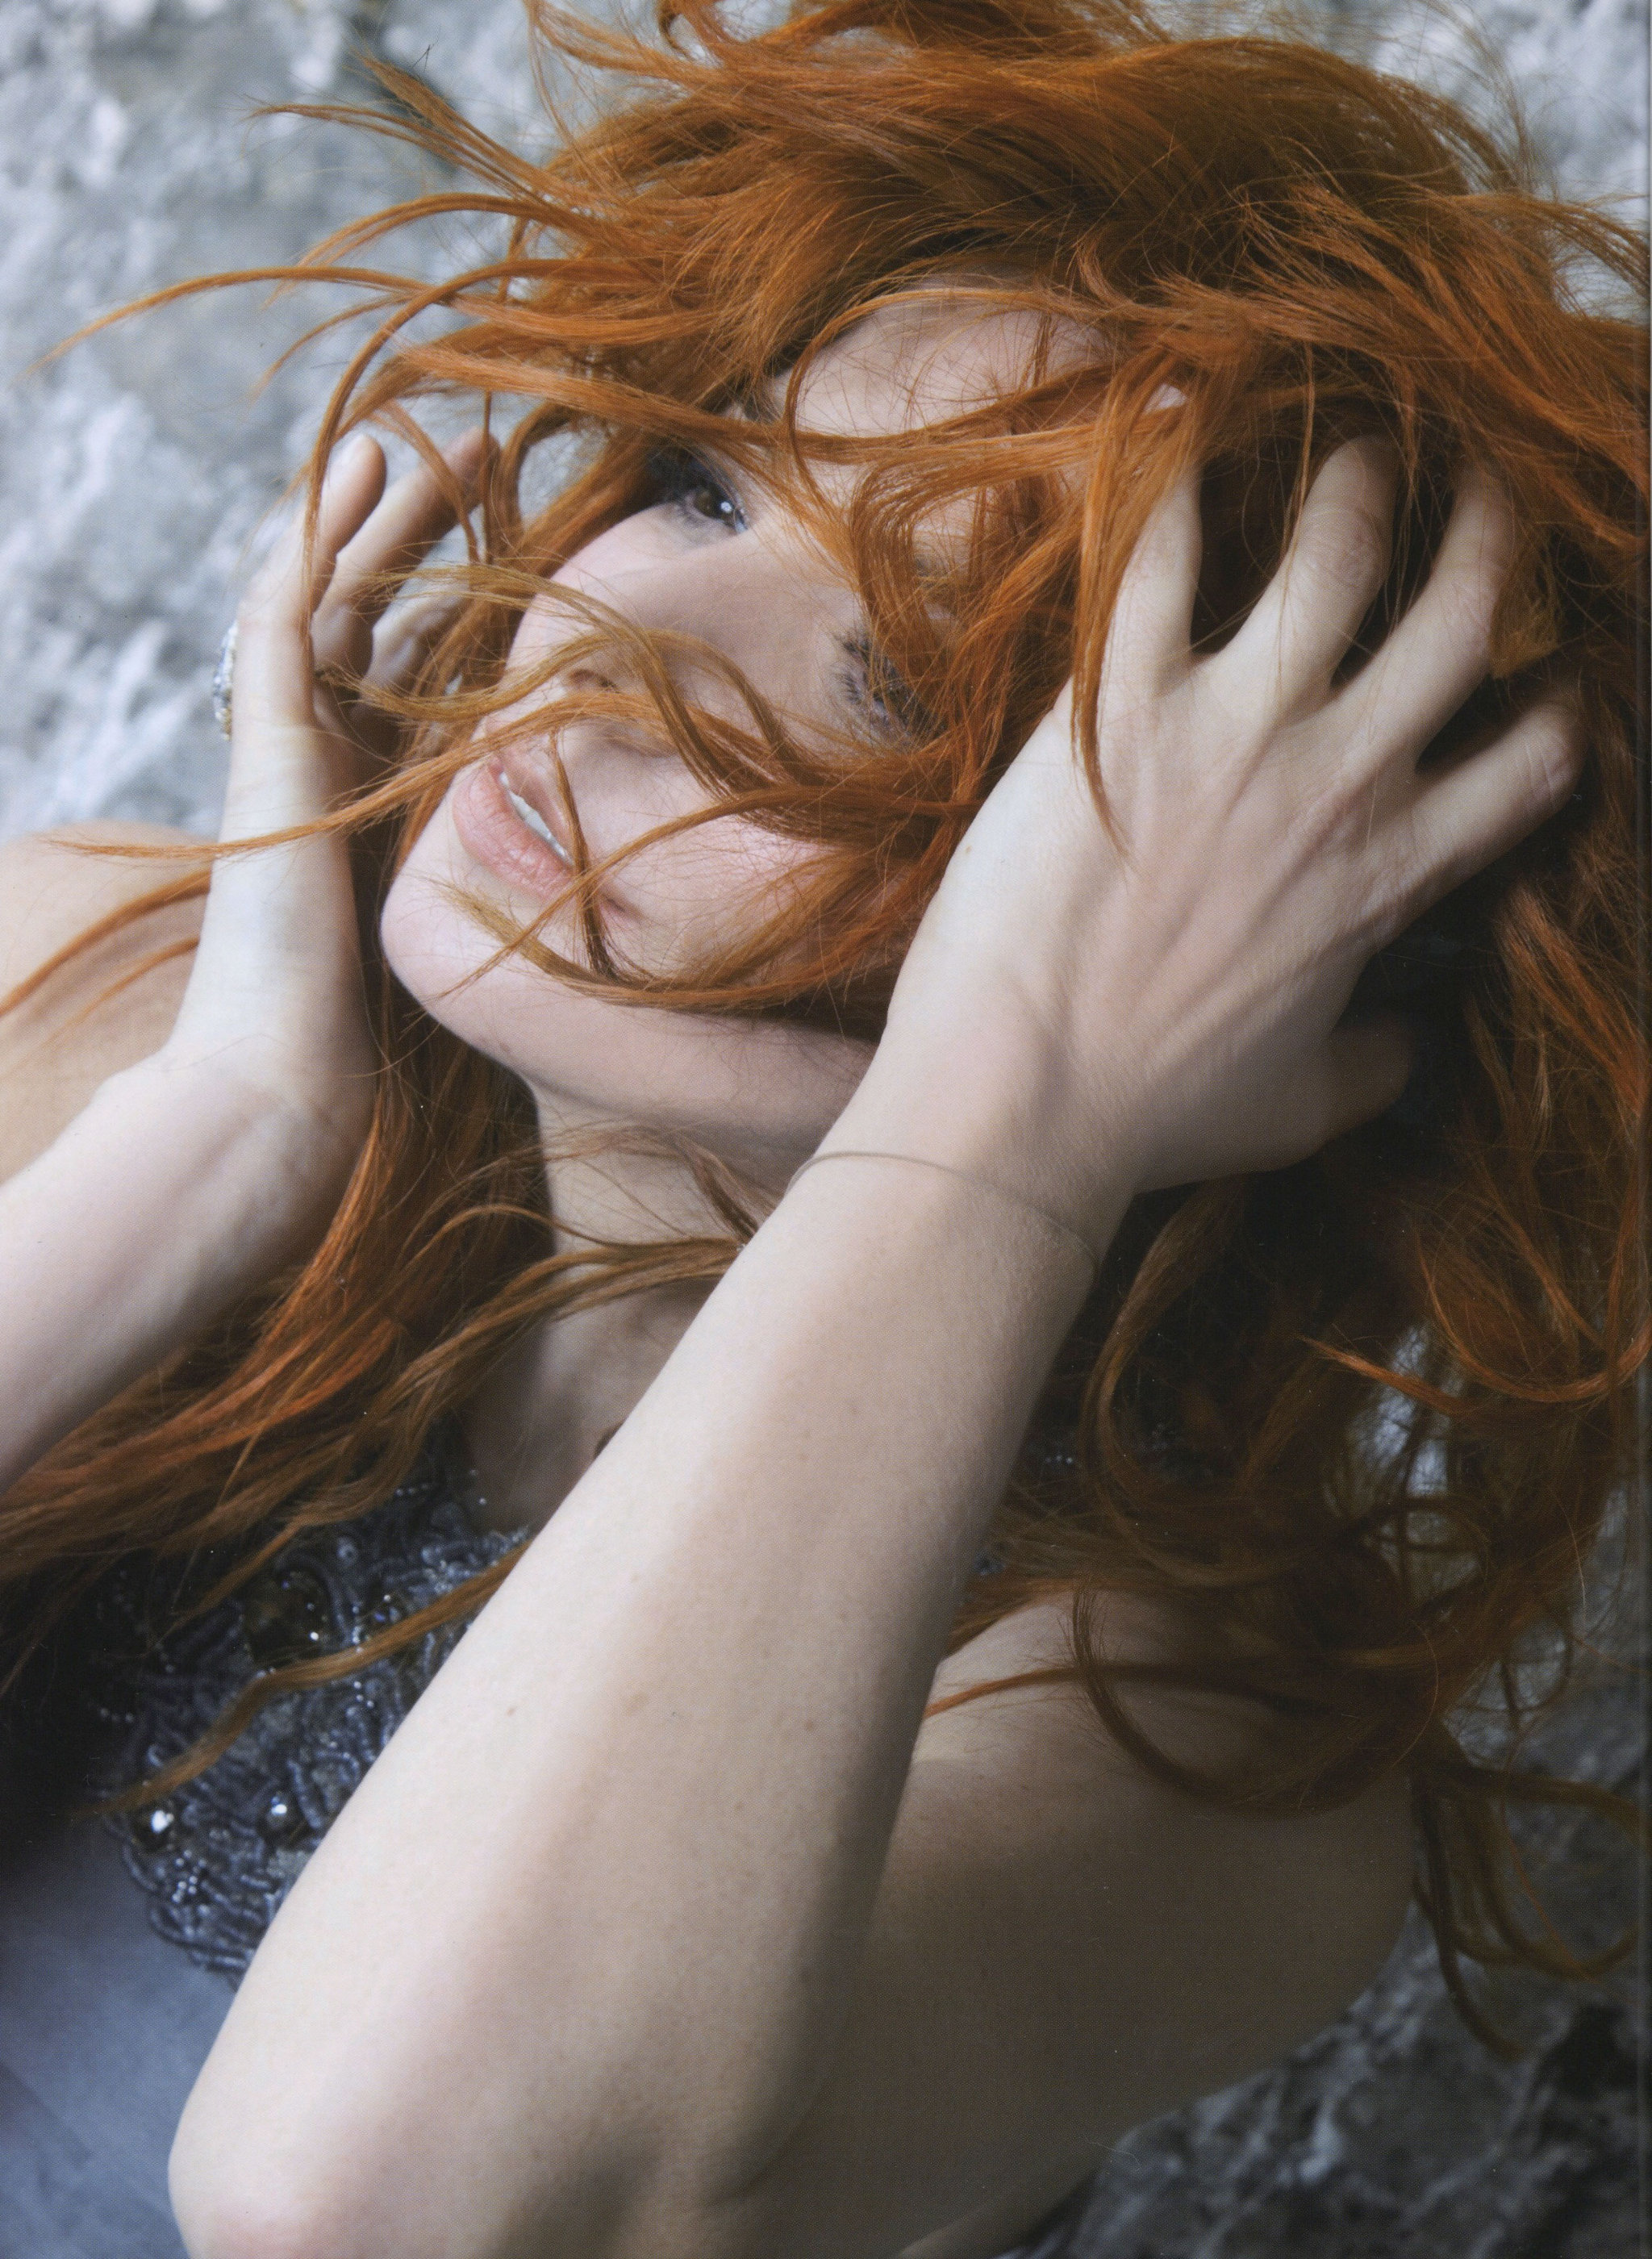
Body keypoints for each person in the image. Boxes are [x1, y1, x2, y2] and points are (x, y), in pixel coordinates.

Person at [0, 1, 1643, 2253]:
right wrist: (211, 1144)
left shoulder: (1169, 1743)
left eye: (896, 682)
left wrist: (1016, 1120)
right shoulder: (102, 981)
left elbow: (374, 2201)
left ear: (1246, 986)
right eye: (709, 480)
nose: (628, 631)